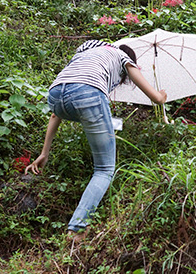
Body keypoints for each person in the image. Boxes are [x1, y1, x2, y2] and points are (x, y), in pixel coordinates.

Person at [25, 40, 167, 241]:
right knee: (104, 169)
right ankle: (76, 230)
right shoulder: (123, 57)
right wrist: (162, 95)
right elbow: (156, 99)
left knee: (96, 123)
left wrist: (44, 153)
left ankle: (77, 227)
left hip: (56, 95)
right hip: (88, 94)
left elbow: (56, 114)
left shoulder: (86, 54)